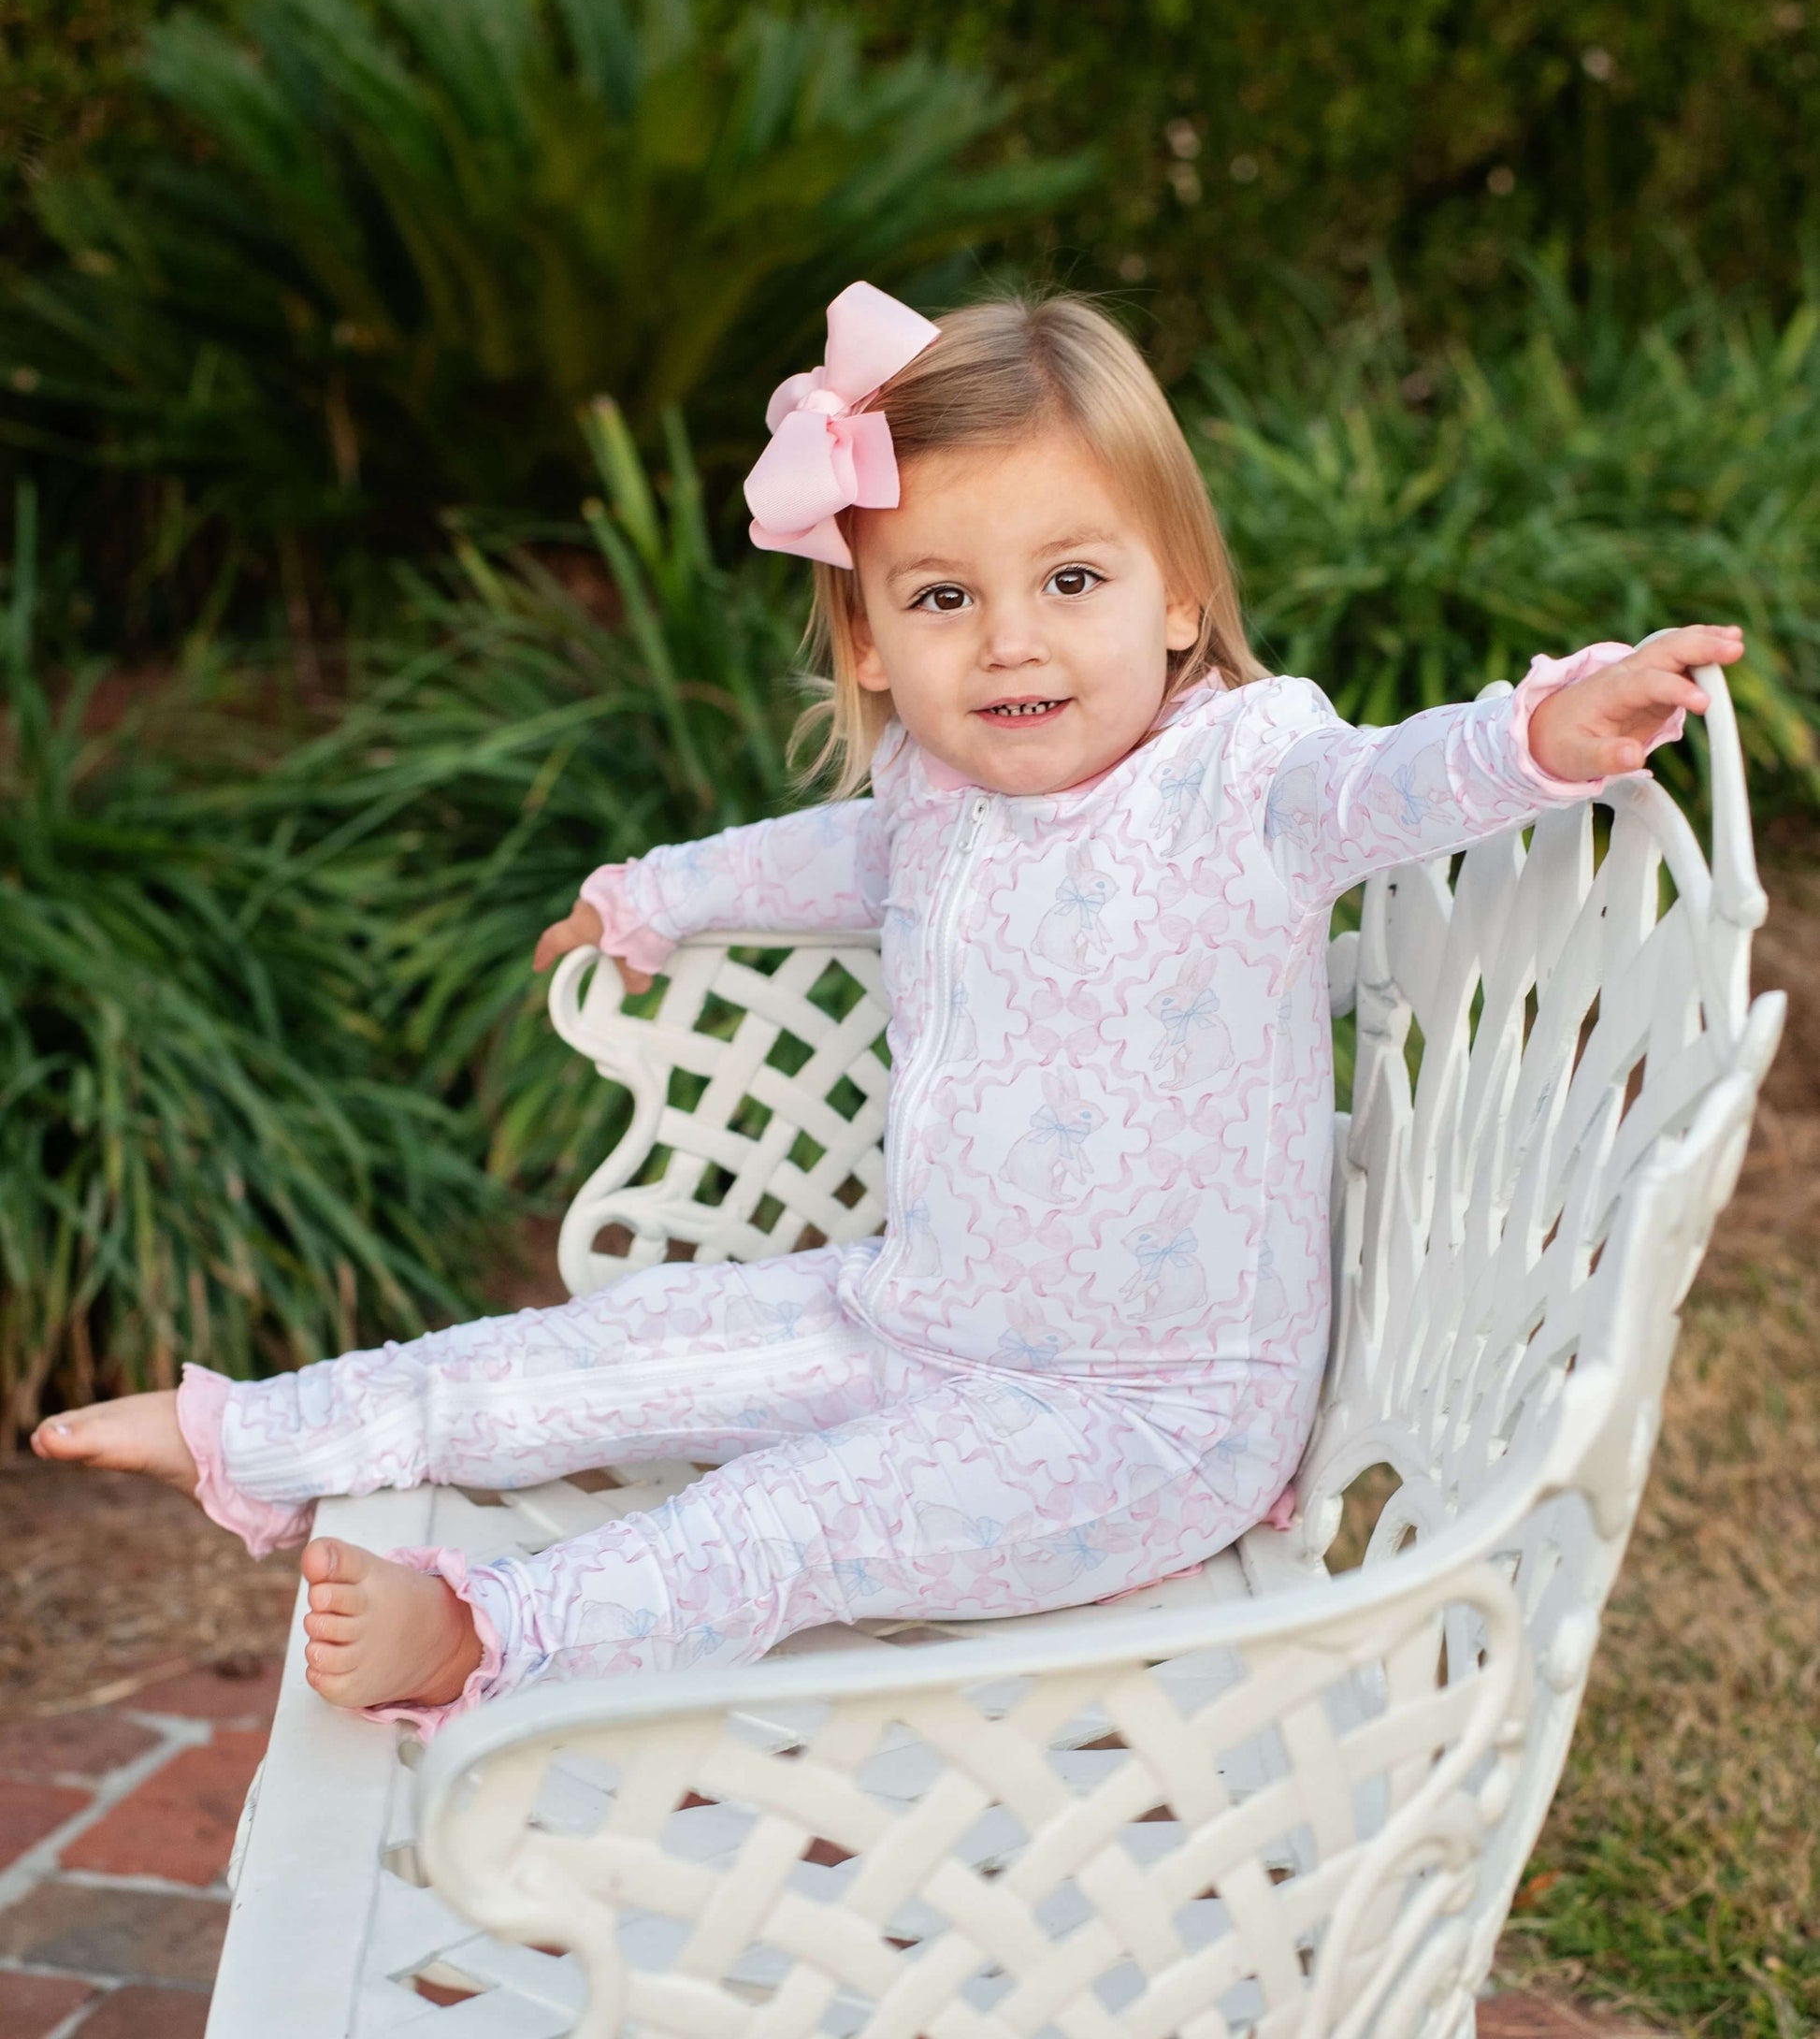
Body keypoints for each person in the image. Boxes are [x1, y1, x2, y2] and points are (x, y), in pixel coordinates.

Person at [33, 284, 1742, 1734]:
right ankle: (258, 1433)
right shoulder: (935, 791)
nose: (1011, 644)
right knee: (620, 1344)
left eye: (1070, 581)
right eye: (941, 596)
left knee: (788, 1518)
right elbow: (840, 857)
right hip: (911, 1317)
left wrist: (1540, 731)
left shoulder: (1248, 783)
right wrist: (661, 894)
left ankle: (491, 1633)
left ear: (1176, 595)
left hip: (1145, 1424)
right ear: (865, 638)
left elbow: (1391, 785)